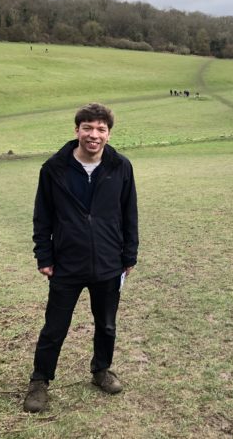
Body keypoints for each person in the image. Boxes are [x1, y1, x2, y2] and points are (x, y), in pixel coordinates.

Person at [23, 103, 139, 413]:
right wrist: (43, 256)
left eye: (101, 129)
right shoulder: (54, 169)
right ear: (77, 131)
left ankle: (101, 371)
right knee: (55, 327)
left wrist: (130, 255)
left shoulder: (121, 167)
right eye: (87, 127)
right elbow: (42, 217)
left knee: (107, 325)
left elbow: (130, 214)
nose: (94, 134)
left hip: (109, 263)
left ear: (108, 134)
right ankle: (39, 381)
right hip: (67, 264)